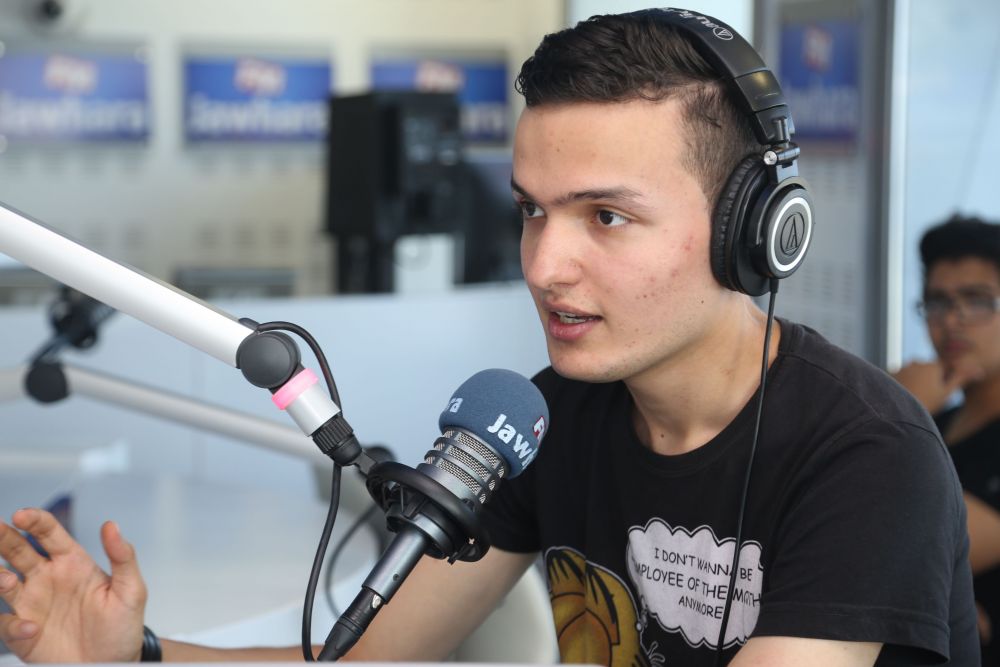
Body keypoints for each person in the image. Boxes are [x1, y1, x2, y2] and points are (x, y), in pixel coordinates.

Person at [0, 8, 980, 666]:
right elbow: (366, 654)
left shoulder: (868, 456)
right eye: (530, 209)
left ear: (750, 231)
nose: (544, 264)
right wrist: (136, 654)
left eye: (605, 216)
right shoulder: (547, 416)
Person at [892, 215, 1000, 664]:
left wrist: (895, 408)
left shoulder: (910, 422)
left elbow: (918, 552)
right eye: (938, 302)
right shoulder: (934, 422)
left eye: (976, 300)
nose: (952, 320)